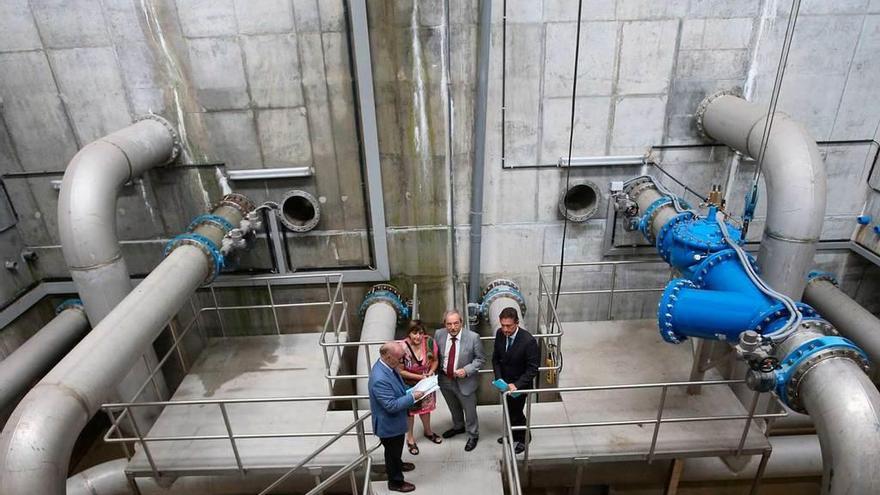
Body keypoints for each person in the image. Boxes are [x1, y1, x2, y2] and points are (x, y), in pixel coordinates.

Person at [368, 342, 425, 493]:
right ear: (388, 356)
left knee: (396, 450)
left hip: (395, 422)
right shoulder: (380, 378)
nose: (402, 361)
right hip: (389, 425)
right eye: (399, 358)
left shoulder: (388, 367)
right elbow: (391, 405)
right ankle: (395, 482)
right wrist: (413, 396)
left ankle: (398, 465)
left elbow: (397, 388)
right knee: (392, 453)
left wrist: (410, 390)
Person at [435, 309, 485, 451]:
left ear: (461, 322)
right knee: (453, 406)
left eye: (456, 323)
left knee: (469, 410)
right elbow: (435, 354)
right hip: (445, 379)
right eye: (449, 324)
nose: (452, 327)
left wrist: (466, 370)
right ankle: (458, 427)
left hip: (465, 380)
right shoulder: (439, 334)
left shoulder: (473, 337)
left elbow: (480, 359)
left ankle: (473, 435)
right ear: (445, 324)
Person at [492, 307, 539, 455]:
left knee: (516, 413)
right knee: (508, 411)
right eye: (503, 325)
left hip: (520, 386)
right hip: (504, 384)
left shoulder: (528, 341)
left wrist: (516, 385)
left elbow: (533, 369)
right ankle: (512, 434)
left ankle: (523, 438)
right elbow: (496, 359)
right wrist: (499, 378)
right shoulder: (500, 334)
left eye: (509, 326)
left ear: (517, 323)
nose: (505, 329)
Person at [398, 320, 442, 455]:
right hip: (409, 384)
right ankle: (410, 438)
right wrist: (419, 377)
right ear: (409, 333)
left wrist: (430, 372)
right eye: (414, 333)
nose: (418, 337)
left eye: (420, 333)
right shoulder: (402, 347)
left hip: (426, 382)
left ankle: (428, 431)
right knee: (410, 413)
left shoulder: (429, 342)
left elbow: (435, 360)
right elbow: (400, 370)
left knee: (425, 409)